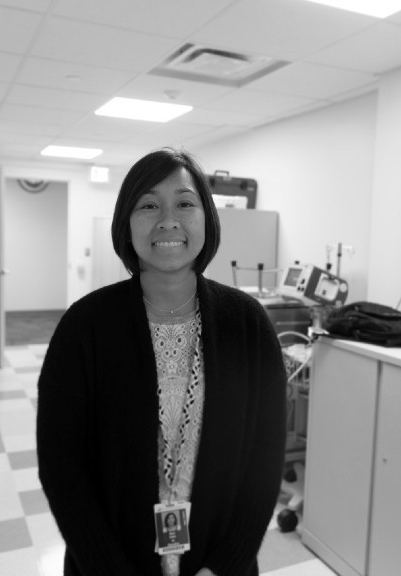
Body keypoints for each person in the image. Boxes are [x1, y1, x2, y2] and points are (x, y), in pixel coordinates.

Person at [37, 147, 288, 576]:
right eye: (149, 204)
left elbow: (265, 459)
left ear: (207, 218)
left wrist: (224, 567)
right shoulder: (85, 327)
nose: (168, 219)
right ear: (126, 223)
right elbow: (62, 466)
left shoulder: (247, 324)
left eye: (185, 203)